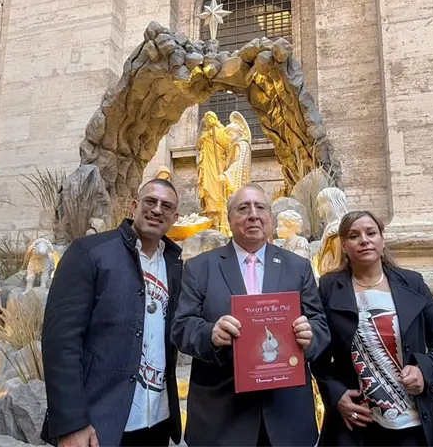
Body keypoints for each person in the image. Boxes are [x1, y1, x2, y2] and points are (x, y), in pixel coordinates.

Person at [171, 183, 330, 447]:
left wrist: (310, 335)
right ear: (230, 218)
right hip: (222, 418)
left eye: (260, 207)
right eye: (243, 208)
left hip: (285, 416)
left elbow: (320, 325)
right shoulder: (200, 267)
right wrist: (210, 334)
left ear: (270, 217)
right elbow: (180, 328)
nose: (253, 214)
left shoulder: (297, 267)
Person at [41, 179, 184, 447]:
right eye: (150, 201)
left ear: (174, 217)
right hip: (101, 422)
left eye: (166, 206)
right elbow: (60, 343)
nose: (157, 210)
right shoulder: (90, 251)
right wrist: (71, 423)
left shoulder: (174, 263)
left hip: (157, 420)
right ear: (134, 206)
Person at [311, 211, 433, 447]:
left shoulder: (412, 283)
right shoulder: (329, 288)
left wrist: (425, 371)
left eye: (371, 233)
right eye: (354, 235)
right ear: (344, 246)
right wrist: (335, 395)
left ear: (382, 239)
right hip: (356, 420)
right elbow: (317, 351)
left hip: (411, 420)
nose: (364, 240)